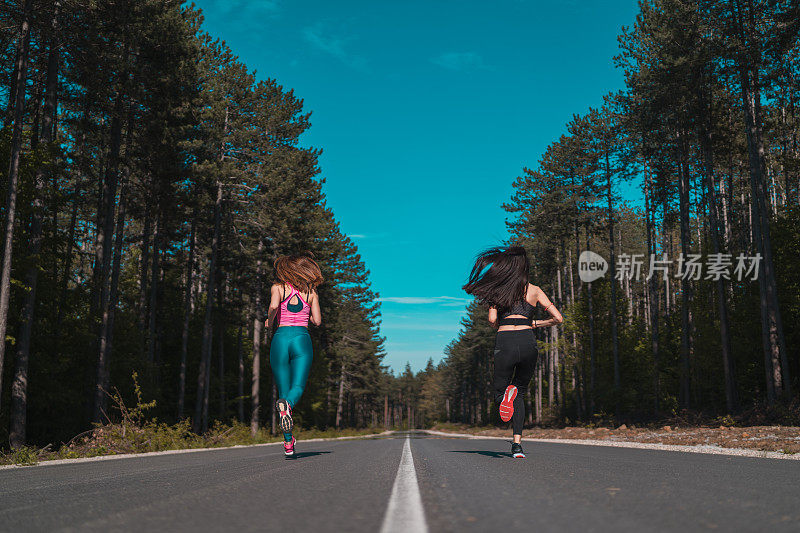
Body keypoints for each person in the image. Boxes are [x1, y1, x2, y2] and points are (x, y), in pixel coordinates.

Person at [463, 246, 563, 458]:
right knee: (520, 391)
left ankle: (506, 397)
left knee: (501, 391)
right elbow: (558, 318)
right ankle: (517, 445)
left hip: (505, 340)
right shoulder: (535, 290)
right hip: (528, 341)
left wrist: (500, 323)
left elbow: (491, 320)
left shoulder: (498, 291)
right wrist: (535, 323)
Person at [266, 252, 323, 457]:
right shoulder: (312, 293)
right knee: (297, 387)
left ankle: (289, 443)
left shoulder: (277, 288)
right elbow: (316, 321)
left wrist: (269, 320)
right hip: (301, 338)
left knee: (283, 390)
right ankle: (287, 407)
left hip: (280, 338)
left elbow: (273, 306)